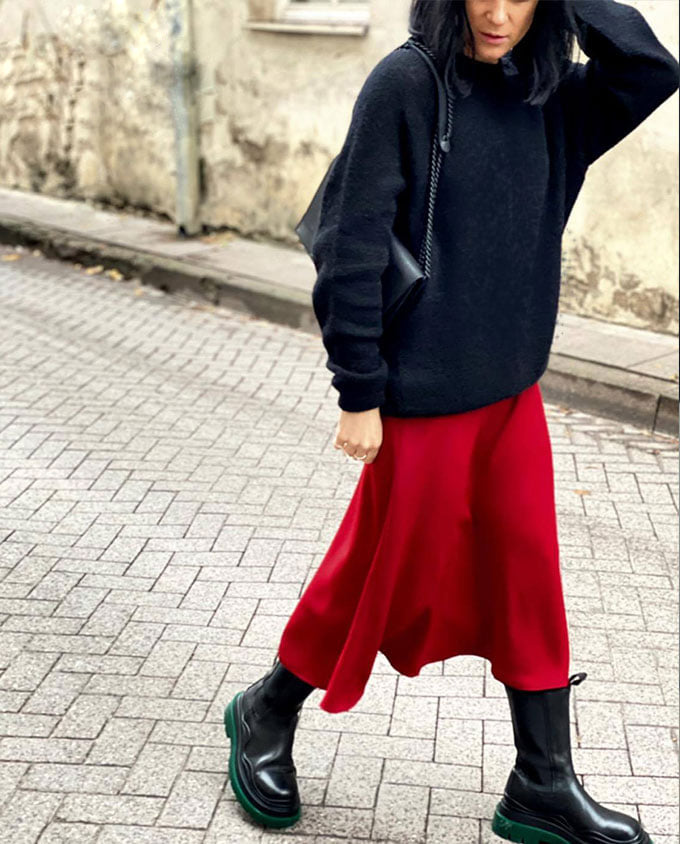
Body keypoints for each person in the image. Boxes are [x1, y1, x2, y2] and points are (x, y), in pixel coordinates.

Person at [225, 0, 679, 838]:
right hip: (421, 400)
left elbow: (653, 70)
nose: (498, 11)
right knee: (379, 571)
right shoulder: (406, 84)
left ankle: (542, 780)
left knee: (529, 575)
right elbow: (353, 249)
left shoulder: (551, 94)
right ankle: (265, 708)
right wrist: (358, 392)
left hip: (510, 393)